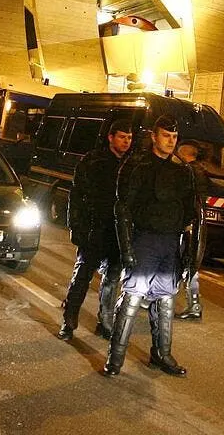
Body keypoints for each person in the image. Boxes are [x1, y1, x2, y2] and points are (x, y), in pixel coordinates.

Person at [103, 115, 201, 377]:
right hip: (144, 239)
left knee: (166, 297)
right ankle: (115, 358)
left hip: (170, 242)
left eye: (174, 137)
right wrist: (126, 248)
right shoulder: (137, 166)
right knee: (133, 297)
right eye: (166, 135)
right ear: (154, 137)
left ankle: (161, 354)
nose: (171, 141)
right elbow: (122, 208)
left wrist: (189, 252)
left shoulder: (182, 171)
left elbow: (191, 213)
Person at [58, 119, 132, 341]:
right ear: (111, 137)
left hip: (117, 233)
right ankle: (69, 321)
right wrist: (76, 226)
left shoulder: (131, 165)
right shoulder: (93, 161)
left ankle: (105, 322)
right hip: (94, 229)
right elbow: (77, 195)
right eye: (122, 137)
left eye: (129, 138)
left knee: (112, 278)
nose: (126, 142)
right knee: (82, 276)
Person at [175, 141, 210, 321]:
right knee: (189, 264)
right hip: (195, 225)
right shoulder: (199, 172)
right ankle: (194, 304)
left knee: (185, 263)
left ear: (185, 155)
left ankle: (192, 305)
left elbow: (187, 200)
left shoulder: (189, 172)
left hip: (189, 226)